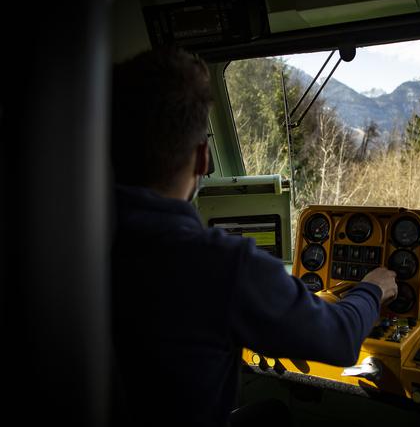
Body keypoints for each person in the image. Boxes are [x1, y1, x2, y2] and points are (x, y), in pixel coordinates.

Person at [110, 46, 398, 427]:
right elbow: (341, 338)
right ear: (204, 159)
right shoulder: (220, 264)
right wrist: (372, 289)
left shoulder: (61, 240)